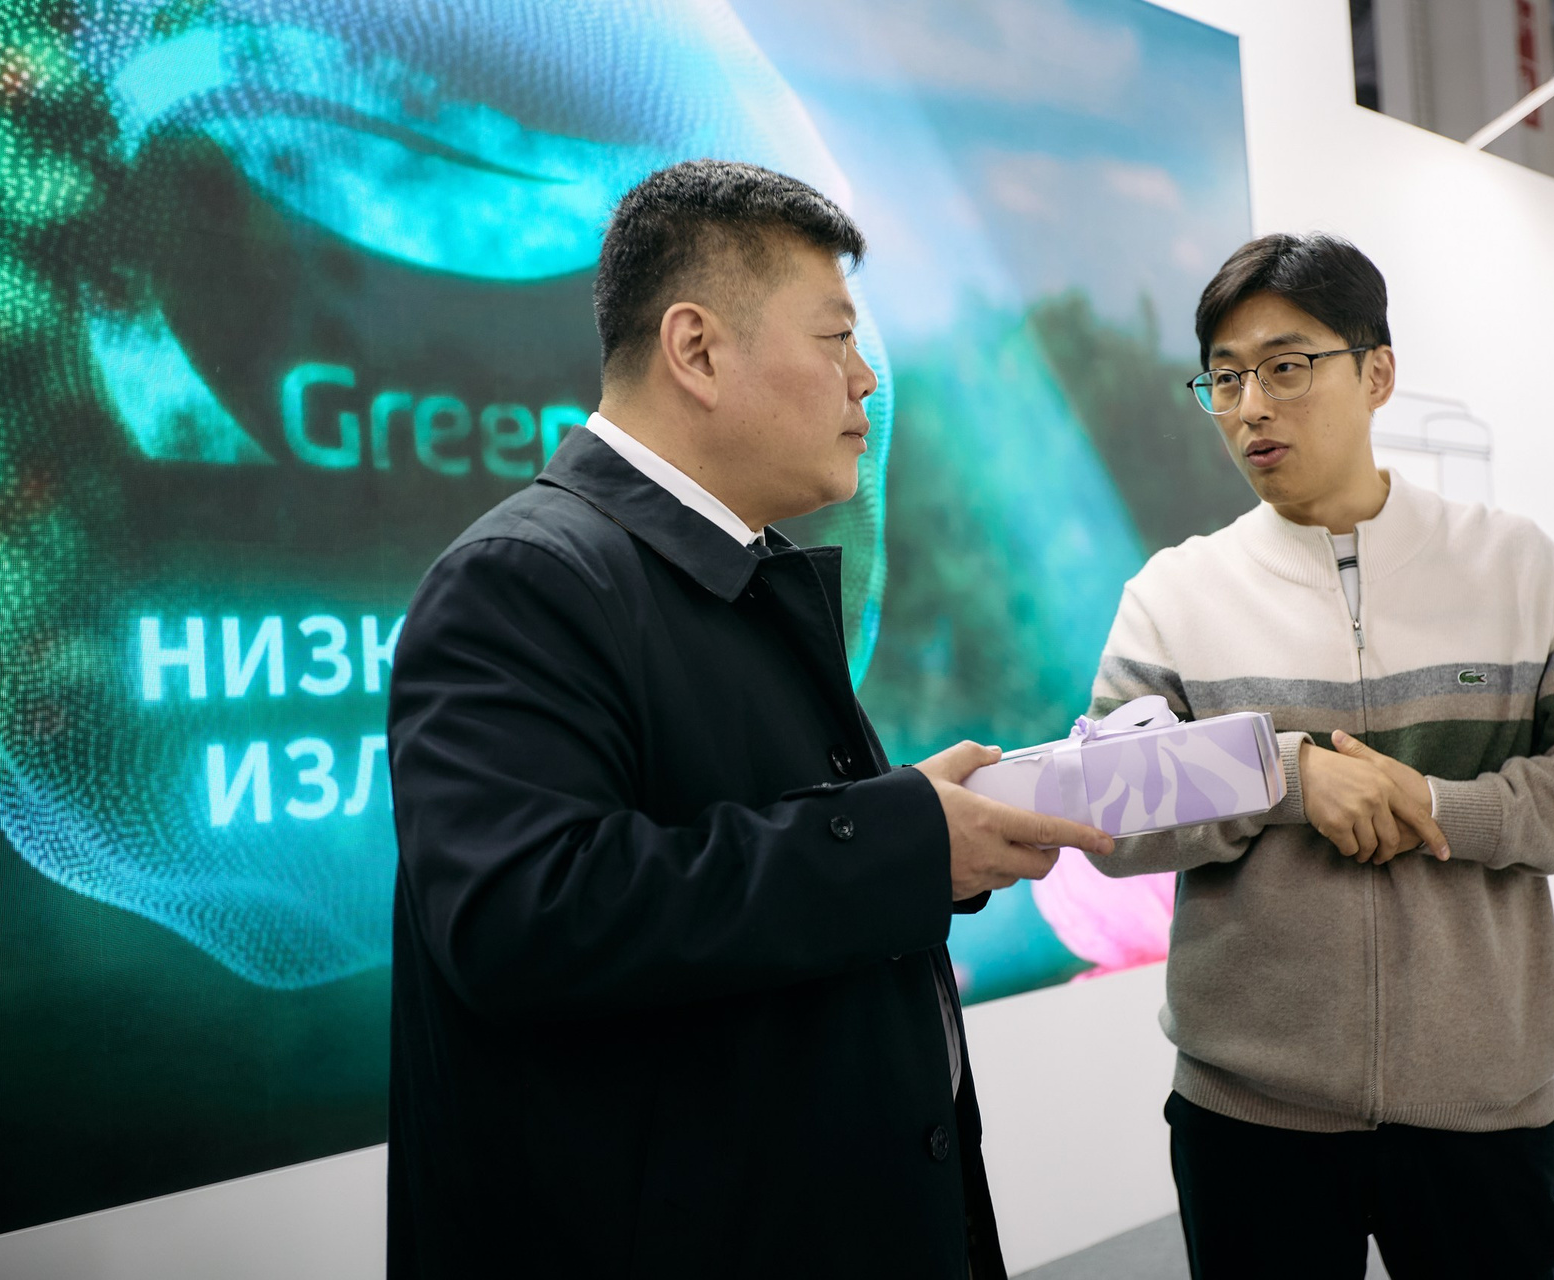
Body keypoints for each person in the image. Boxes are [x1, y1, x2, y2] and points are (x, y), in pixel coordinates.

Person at [384, 159, 1114, 1279]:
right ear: (697, 349)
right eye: (836, 338)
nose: (865, 379)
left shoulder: (731, 566)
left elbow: (756, 845)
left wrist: (931, 830)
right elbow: (528, 918)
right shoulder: (522, 578)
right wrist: (899, 839)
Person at [1087, 232, 1554, 1280]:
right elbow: (1111, 805)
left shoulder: (1517, 566)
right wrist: (1284, 776)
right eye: (1225, 379)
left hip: (1480, 1099)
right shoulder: (1173, 595)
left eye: (1285, 367)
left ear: (1377, 373)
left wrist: (1451, 807)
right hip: (1249, 1111)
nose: (1251, 407)